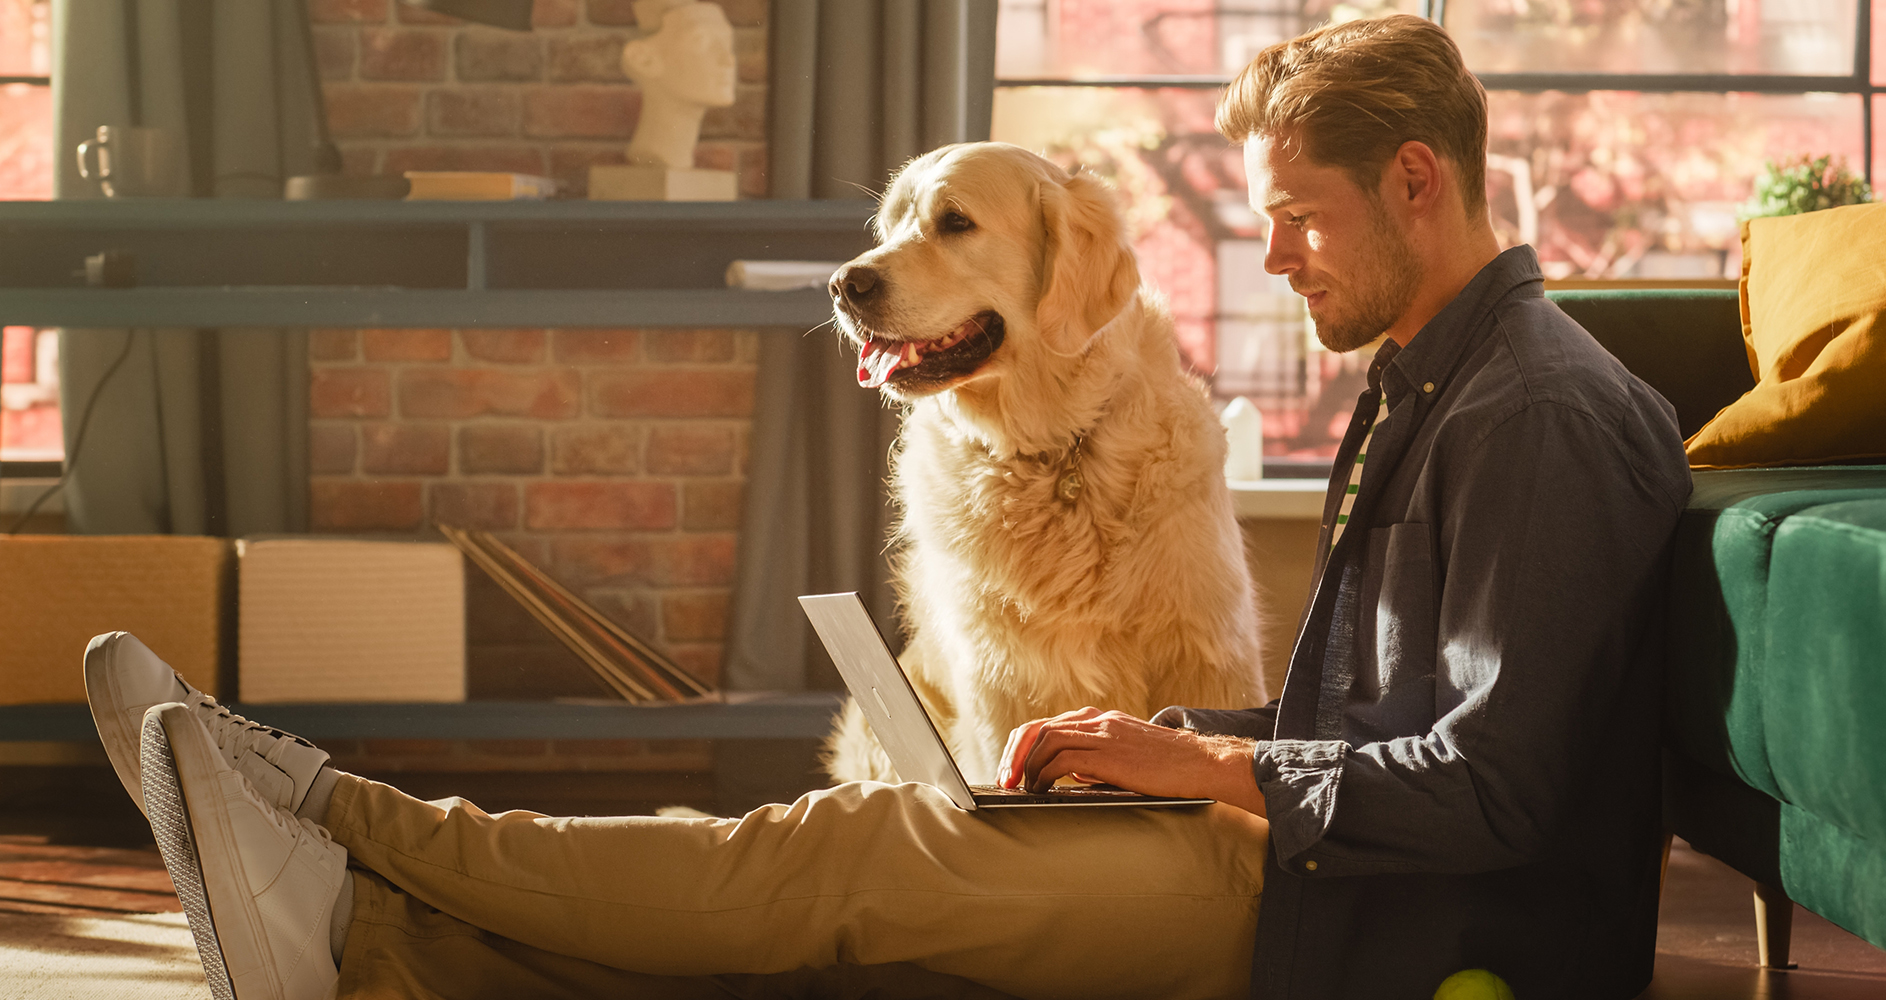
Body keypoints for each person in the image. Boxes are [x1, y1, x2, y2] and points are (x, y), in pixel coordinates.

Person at [91, 15, 1691, 1000]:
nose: (1271, 258)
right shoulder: (1440, 383)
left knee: (855, 868)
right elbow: (1381, 718)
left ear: (1420, 180)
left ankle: (335, 819)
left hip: (1386, 939)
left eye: (1298, 220)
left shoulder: (1536, 416)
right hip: (1316, 869)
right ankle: (376, 937)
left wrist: (1202, 761)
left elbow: (1493, 796)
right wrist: (1164, 742)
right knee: (857, 880)